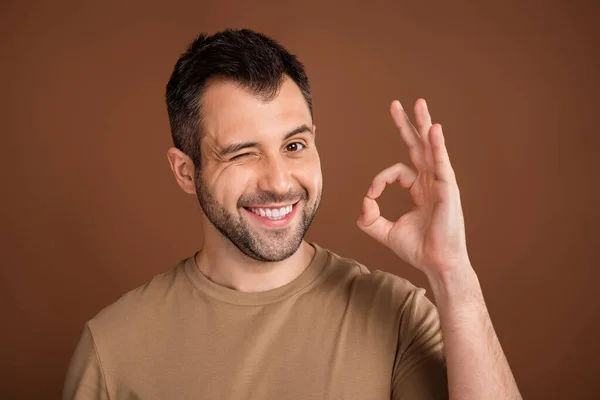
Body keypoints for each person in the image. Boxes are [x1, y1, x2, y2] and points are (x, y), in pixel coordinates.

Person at [63, 28, 522, 400]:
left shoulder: (398, 315)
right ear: (186, 172)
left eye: (294, 145)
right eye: (243, 154)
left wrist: (453, 276)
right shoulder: (113, 348)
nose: (279, 181)